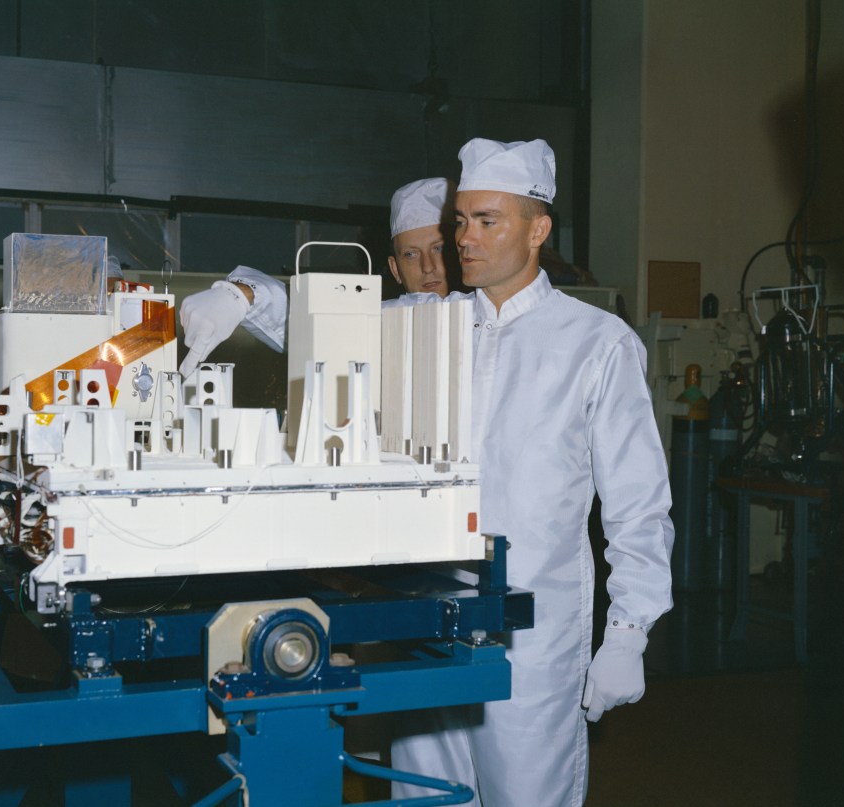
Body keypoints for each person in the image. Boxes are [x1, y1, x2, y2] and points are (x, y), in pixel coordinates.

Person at [389, 138, 674, 806]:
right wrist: (244, 293)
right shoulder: (428, 324)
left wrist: (630, 629)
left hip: (534, 639)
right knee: (424, 797)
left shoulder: (597, 344)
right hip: (429, 621)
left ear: (539, 228)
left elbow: (638, 505)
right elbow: (319, 323)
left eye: (488, 220)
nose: (466, 238)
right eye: (460, 220)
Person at [177, 177, 458, 375]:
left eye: (439, 249)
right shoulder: (378, 324)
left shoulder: (482, 316)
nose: (428, 266)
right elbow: (310, 321)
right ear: (394, 269)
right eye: (411, 254)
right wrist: (242, 295)